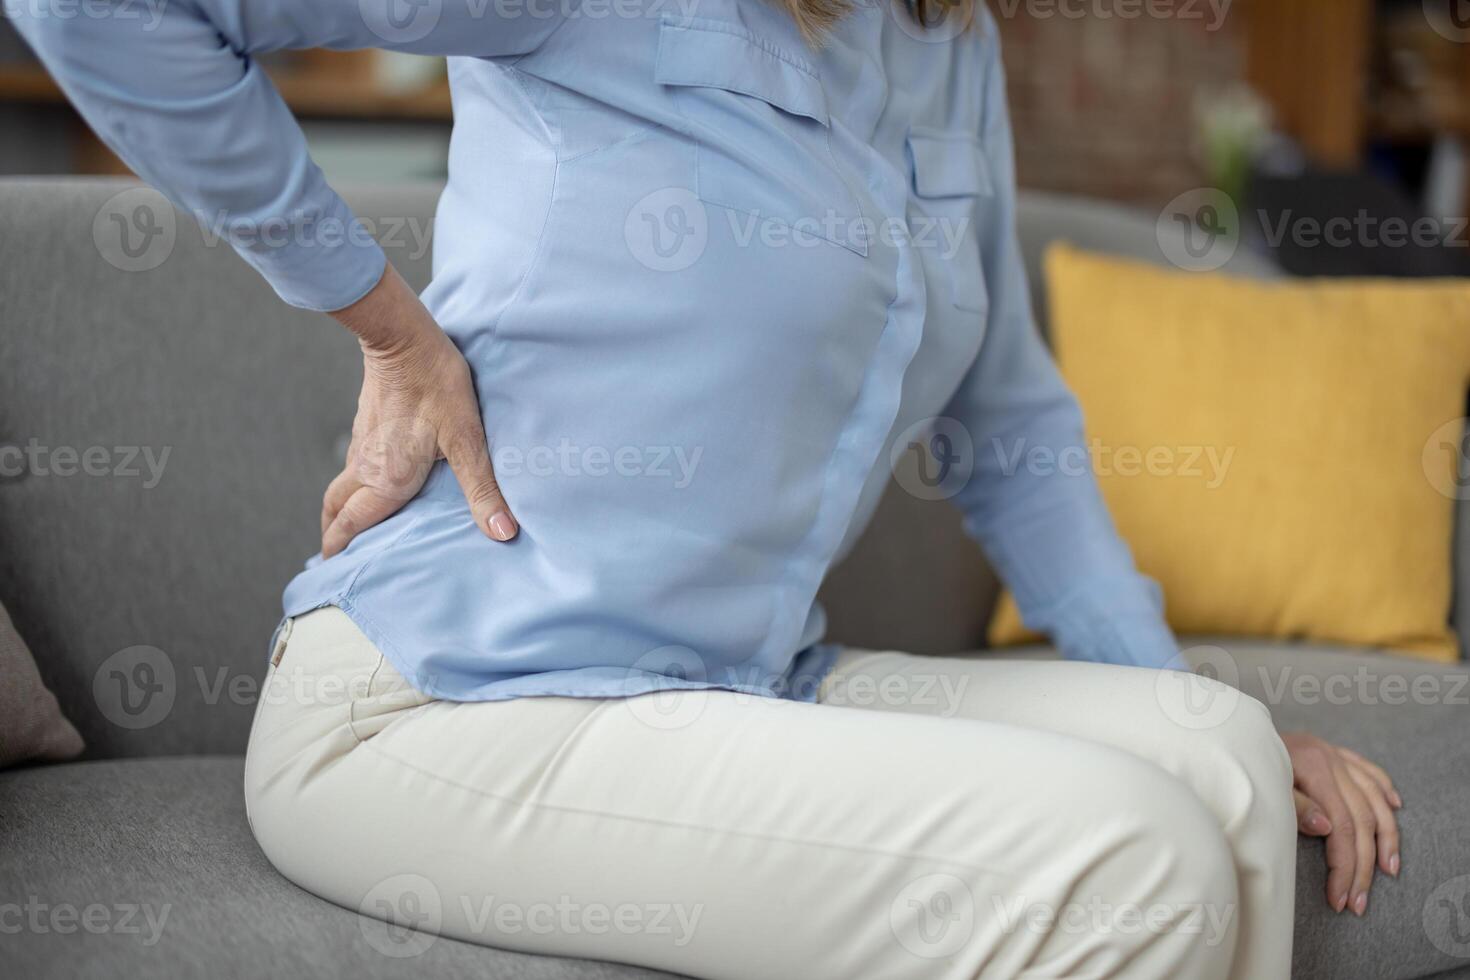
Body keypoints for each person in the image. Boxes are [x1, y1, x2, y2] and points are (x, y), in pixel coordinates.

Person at [14, 0, 1401, 975]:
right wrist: (384, 320)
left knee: (1213, 752)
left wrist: (1154, 670)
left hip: (739, 678)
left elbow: (1009, 418)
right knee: (1132, 860)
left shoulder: (947, 40)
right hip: (451, 704)